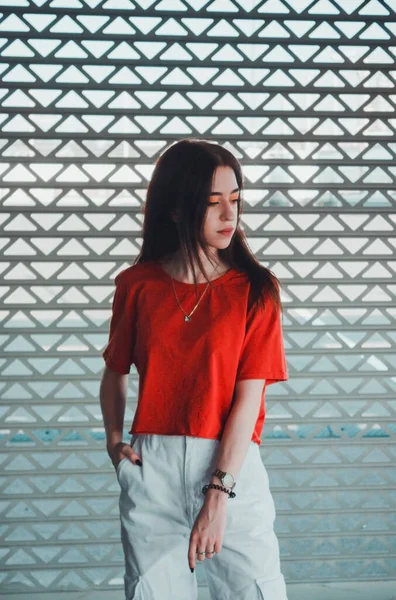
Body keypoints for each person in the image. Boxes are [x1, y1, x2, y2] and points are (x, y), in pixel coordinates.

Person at [99, 138, 289, 600]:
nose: (230, 215)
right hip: (153, 468)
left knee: (256, 593)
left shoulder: (256, 290)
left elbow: (249, 398)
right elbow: (115, 370)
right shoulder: (136, 285)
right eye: (213, 202)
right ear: (178, 210)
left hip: (230, 465)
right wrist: (113, 440)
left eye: (235, 200)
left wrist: (218, 495)